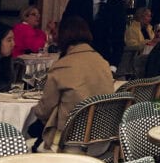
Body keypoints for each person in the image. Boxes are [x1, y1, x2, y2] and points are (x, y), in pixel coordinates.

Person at [29, 16, 114, 149]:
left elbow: (44, 111)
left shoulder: (62, 66)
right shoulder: (102, 62)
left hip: (70, 142)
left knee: (28, 138)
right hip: (103, 140)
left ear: (62, 37)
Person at [62, 0, 128, 70]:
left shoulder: (118, 6)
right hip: (76, 59)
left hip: (103, 62)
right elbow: (65, 30)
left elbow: (118, 39)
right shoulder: (77, 2)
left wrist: (113, 67)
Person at [120, 7, 155, 78]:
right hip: (135, 62)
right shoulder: (131, 29)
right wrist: (148, 42)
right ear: (141, 17)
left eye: (150, 16)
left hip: (149, 58)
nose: (150, 18)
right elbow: (131, 46)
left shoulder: (149, 28)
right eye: (148, 16)